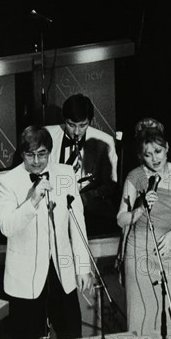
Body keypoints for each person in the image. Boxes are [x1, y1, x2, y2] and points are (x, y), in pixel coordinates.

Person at [0, 125, 92, 339]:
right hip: (25, 279)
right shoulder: (8, 181)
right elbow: (7, 227)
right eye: (30, 155)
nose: (37, 161)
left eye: (42, 154)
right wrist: (33, 199)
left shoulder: (64, 173)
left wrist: (83, 266)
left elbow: (78, 222)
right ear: (22, 154)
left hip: (61, 274)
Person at [117, 118, 171, 335]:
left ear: (167, 147)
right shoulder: (135, 177)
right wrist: (139, 208)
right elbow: (121, 219)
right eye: (147, 155)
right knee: (143, 320)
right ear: (140, 155)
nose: (154, 159)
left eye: (158, 151)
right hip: (139, 252)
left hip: (170, 248)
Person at [46, 94, 118, 235]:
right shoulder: (47, 134)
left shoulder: (105, 141)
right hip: (52, 208)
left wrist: (83, 199)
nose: (77, 132)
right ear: (64, 119)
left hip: (88, 210)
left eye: (82, 125)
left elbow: (110, 184)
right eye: (71, 125)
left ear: (90, 121)